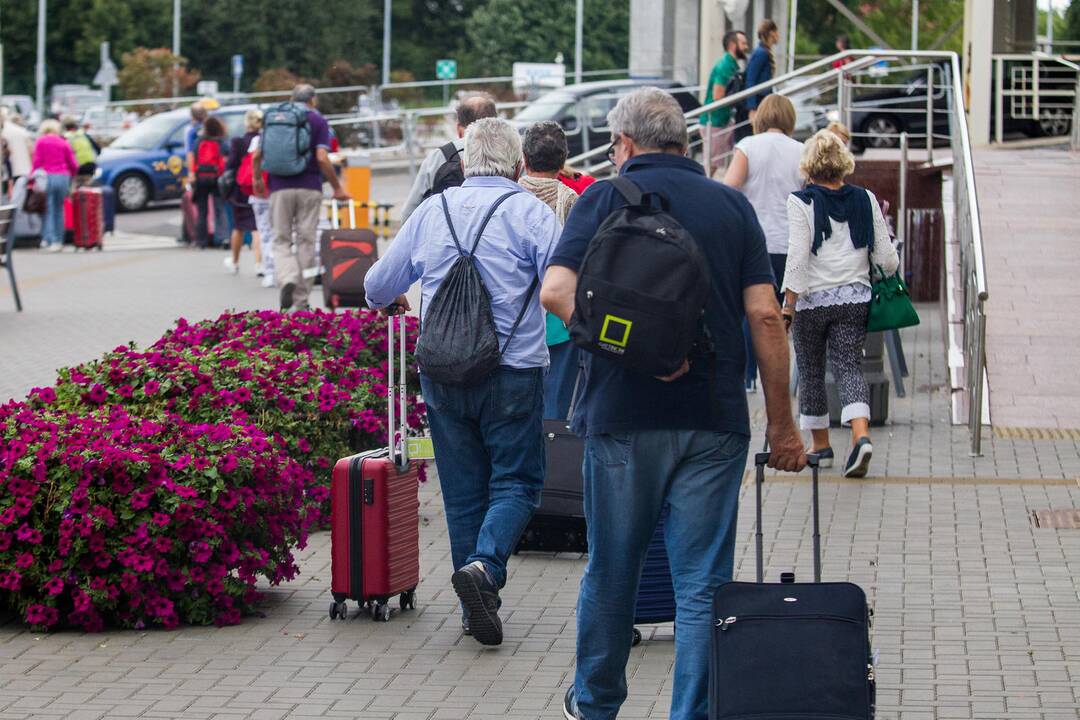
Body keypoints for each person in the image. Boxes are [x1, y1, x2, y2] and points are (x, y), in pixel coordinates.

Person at [540, 87, 805, 720]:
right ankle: (691, 712)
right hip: (713, 419)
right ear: (683, 141)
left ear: (624, 145)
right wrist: (783, 425)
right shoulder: (727, 207)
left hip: (622, 415)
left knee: (612, 571)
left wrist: (630, 353)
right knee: (701, 584)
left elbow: (555, 291)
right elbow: (767, 316)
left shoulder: (601, 200)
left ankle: (597, 705)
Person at [364, 117, 559, 647]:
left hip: (443, 375)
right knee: (517, 483)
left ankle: (475, 611)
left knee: (464, 493)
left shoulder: (432, 210)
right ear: (518, 165)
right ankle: (485, 568)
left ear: (466, 162)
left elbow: (377, 285)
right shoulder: (529, 212)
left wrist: (391, 300)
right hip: (514, 373)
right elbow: (564, 284)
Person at [782, 129, 899, 477]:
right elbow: (888, 260)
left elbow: (798, 257)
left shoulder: (801, 201)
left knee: (811, 370)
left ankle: (821, 446)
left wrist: (789, 303)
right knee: (849, 366)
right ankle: (861, 437)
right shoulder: (866, 197)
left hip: (812, 301)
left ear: (809, 165)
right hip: (854, 297)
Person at [724, 94, 804, 392]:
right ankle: (778, 375)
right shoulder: (801, 150)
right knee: (778, 313)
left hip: (751, 242)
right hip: (788, 242)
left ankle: (747, 377)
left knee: (749, 309)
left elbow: (729, 189)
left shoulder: (747, 147)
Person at [253, 84, 350, 311]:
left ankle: (287, 277)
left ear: (291, 98)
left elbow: (258, 155)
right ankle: (301, 300)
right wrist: (337, 187)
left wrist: (258, 179)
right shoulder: (318, 120)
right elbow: (322, 158)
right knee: (306, 241)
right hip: (310, 187)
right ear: (313, 100)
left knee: (281, 239)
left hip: (278, 187)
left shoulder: (275, 118)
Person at [519, 121, 581, 419]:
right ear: (563, 158)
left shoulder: (508, 196)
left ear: (524, 158)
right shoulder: (572, 201)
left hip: (512, 322)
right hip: (559, 322)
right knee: (555, 413)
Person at [399, 93, 498, 222]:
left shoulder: (440, 156)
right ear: (496, 124)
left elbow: (409, 212)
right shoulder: (511, 152)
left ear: (458, 128)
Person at [701, 30, 750, 176]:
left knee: (716, 163)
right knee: (711, 165)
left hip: (723, 120)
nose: (746, 47)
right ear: (732, 45)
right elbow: (718, 96)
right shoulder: (725, 66)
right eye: (743, 43)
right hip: (714, 121)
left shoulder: (732, 64)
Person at [223, 109, 264, 275]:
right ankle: (259, 263)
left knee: (239, 227)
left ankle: (235, 262)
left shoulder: (238, 142)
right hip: (259, 187)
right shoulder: (264, 140)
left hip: (242, 189)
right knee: (258, 228)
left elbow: (230, 165)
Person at [30, 119, 78, 253]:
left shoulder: (41, 141)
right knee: (59, 208)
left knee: (48, 209)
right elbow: (73, 163)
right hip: (63, 176)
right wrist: (72, 176)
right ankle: (59, 240)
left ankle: (49, 239)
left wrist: (32, 178)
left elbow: (37, 162)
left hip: (47, 177)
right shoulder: (63, 142)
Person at [189, 116, 229, 250]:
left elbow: (193, 158)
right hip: (216, 177)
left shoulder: (199, 141)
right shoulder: (221, 141)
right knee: (219, 208)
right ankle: (223, 238)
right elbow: (227, 156)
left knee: (202, 210)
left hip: (201, 177)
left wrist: (192, 174)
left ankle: (201, 240)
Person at [744, 19, 781, 128]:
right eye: (777, 32)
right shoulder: (761, 53)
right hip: (758, 101)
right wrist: (752, 108)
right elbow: (751, 79)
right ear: (771, 33)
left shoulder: (765, 51)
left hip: (762, 100)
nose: (778, 35)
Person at [61, 116, 100, 186]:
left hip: (76, 168)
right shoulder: (85, 135)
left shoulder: (65, 137)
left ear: (65, 128)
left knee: (74, 190)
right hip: (90, 167)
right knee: (88, 191)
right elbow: (98, 149)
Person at [2, 111, 34, 194]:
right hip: (23, 170)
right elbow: (31, 152)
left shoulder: (5, 132)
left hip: (8, 173)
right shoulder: (23, 132)